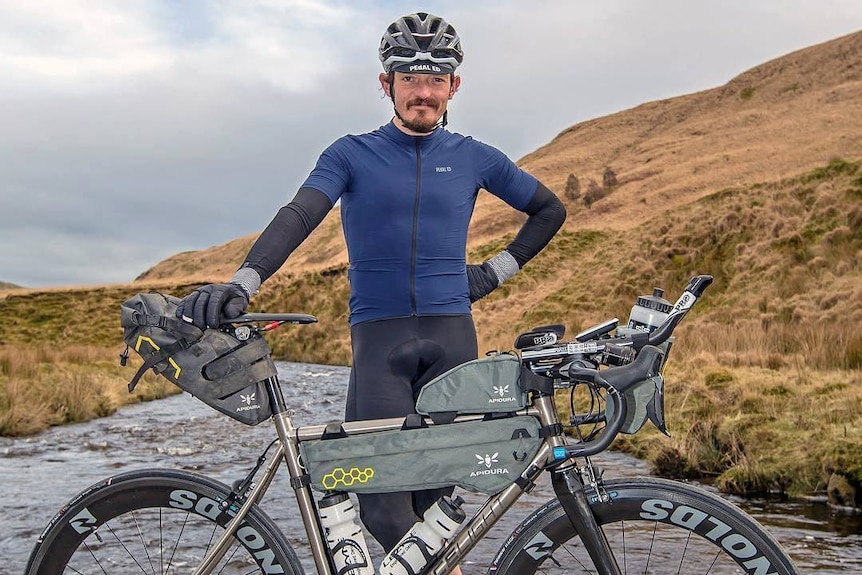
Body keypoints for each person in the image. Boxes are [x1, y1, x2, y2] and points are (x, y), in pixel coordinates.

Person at [176, 11, 566, 573]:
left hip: (452, 338)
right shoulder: (351, 153)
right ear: (386, 83)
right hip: (378, 343)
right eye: (411, 77)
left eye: (436, 79)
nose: (424, 92)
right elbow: (300, 214)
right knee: (382, 507)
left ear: (455, 85)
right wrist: (244, 280)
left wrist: (492, 273)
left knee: (439, 507)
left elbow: (548, 210)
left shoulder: (474, 156)